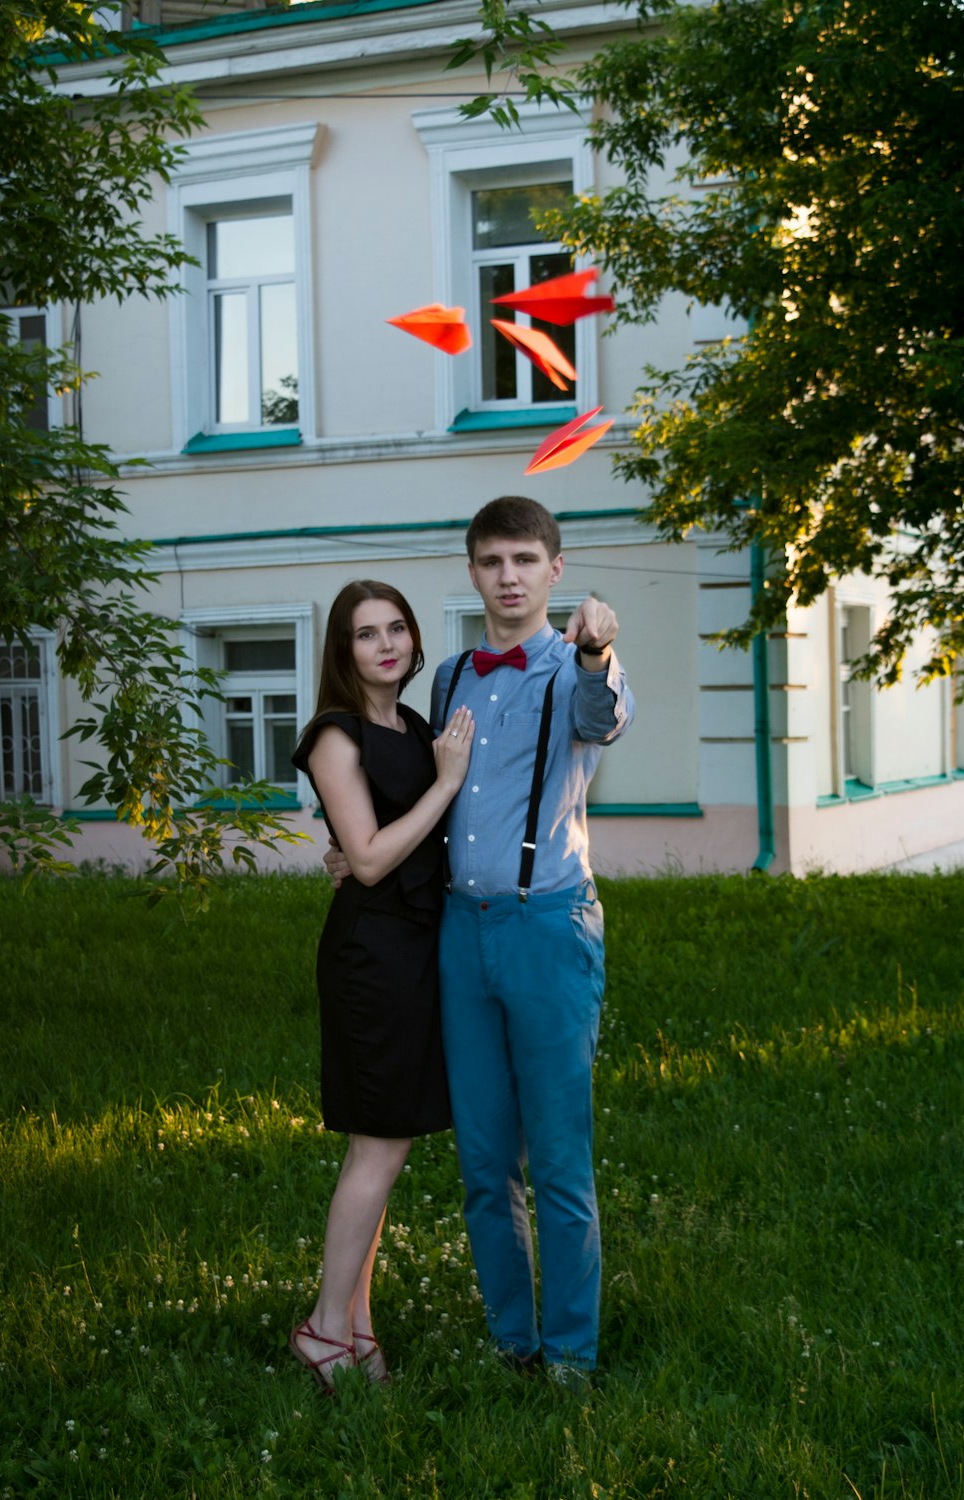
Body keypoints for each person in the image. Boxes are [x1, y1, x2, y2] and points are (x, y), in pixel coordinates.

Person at [327, 497, 634, 1387]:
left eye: (525, 561)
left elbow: (600, 715)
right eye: (493, 561)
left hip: (549, 929)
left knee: (562, 1164)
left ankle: (573, 1357)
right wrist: (352, 854)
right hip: (460, 935)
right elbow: (429, 798)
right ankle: (514, 1343)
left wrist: (598, 648)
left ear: (554, 569)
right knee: (484, 1161)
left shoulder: (580, 667)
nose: (509, 577)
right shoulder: (451, 676)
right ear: (473, 573)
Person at [289, 579, 475, 1393]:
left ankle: (356, 1324)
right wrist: (444, 783)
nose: (386, 644)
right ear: (343, 651)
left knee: (389, 1147)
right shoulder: (336, 733)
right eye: (366, 634)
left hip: (417, 945)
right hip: (374, 957)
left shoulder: (417, 727)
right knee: (378, 1144)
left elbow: (384, 850)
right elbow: (365, 856)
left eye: (397, 627)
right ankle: (324, 1328)